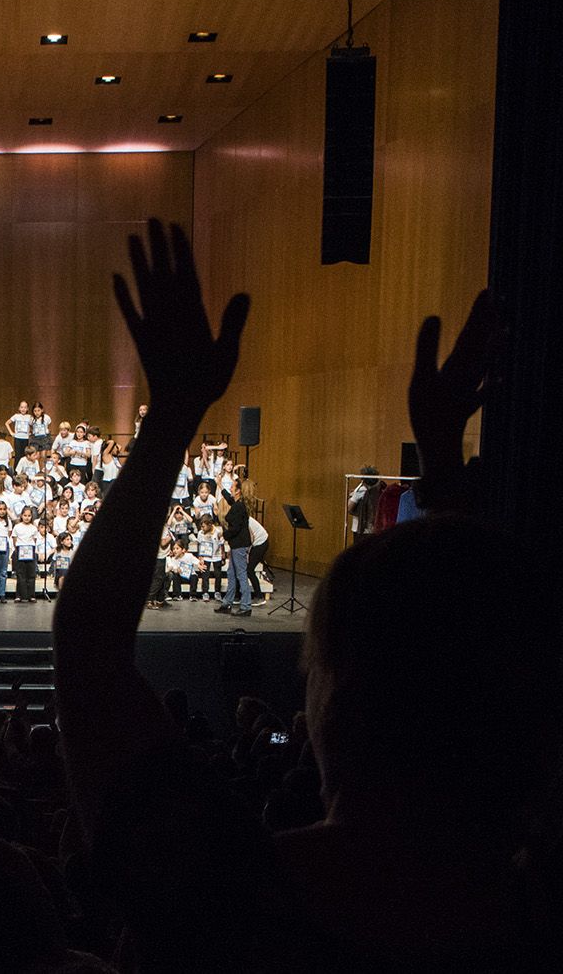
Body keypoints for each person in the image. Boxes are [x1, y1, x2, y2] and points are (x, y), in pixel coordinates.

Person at [56, 224, 563, 966]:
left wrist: (173, 412)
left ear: (336, 699)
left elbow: (88, 647)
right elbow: (478, 633)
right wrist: (449, 481)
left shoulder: (234, 903)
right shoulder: (535, 914)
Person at [215, 478, 253, 617]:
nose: (230, 488)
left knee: (241, 575)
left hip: (239, 544)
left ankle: (246, 606)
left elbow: (236, 528)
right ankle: (227, 603)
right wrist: (220, 487)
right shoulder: (237, 504)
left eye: (232, 487)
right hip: (235, 544)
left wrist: (223, 534)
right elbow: (230, 500)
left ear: (238, 491)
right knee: (231, 573)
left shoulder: (239, 507)